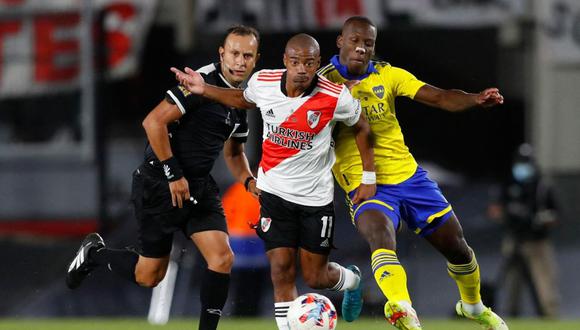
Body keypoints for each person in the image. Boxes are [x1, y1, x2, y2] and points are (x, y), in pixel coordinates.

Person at [172, 33, 376, 330]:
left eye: (309, 63)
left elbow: (362, 127)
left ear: (317, 63)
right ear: (285, 62)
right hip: (274, 195)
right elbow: (242, 99)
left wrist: (368, 177)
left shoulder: (335, 96)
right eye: (295, 62)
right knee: (281, 270)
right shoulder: (264, 82)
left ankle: (352, 280)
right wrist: (204, 89)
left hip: (314, 199)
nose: (302, 69)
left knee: (316, 277)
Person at [65, 25, 261, 330]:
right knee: (149, 275)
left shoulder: (239, 100)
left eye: (247, 56)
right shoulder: (198, 83)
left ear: (255, 60)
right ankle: (96, 254)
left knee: (222, 258)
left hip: (198, 187)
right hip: (159, 182)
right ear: (222, 53)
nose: (239, 61)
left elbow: (234, 154)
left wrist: (249, 182)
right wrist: (174, 174)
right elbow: (153, 122)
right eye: (234, 53)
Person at [318, 16, 508, 330]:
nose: (361, 48)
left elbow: (440, 96)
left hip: (410, 178)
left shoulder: (387, 74)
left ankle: (472, 307)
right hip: (367, 184)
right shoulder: (322, 82)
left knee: (458, 248)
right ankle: (403, 308)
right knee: (380, 236)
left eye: (368, 43)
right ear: (340, 41)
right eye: (355, 40)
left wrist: (475, 99)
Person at [488, 143, 560, 318]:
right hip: (514, 239)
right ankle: (511, 316)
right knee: (512, 282)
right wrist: (507, 215)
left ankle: (550, 316)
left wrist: (538, 219)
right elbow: (495, 210)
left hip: (537, 241)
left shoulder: (542, 185)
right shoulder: (509, 183)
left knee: (545, 282)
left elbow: (556, 215)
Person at [221, 173, 269, 316]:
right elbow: (225, 213)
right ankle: (241, 312)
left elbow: (224, 213)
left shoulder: (239, 189)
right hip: (244, 240)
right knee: (244, 281)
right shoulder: (239, 189)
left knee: (252, 280)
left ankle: (246, 312)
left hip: (252, 240)